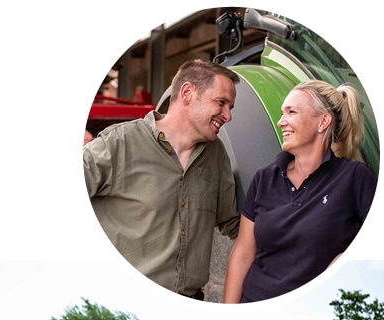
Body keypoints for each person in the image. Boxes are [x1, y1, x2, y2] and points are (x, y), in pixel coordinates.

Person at [84, 58, 242, 299]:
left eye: (230, 107)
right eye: (221, 103)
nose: (228, 116)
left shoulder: (216, 154)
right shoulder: (118, 144)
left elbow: (232, 223)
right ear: (188, 93)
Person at [223, 80, 376, 303]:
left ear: (323, 122)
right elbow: (243, 254)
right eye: (282, 113)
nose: (280, 121)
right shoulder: (265, 177)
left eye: (291, 112)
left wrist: (345, 261)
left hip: (310, 313)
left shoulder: (354, 178)